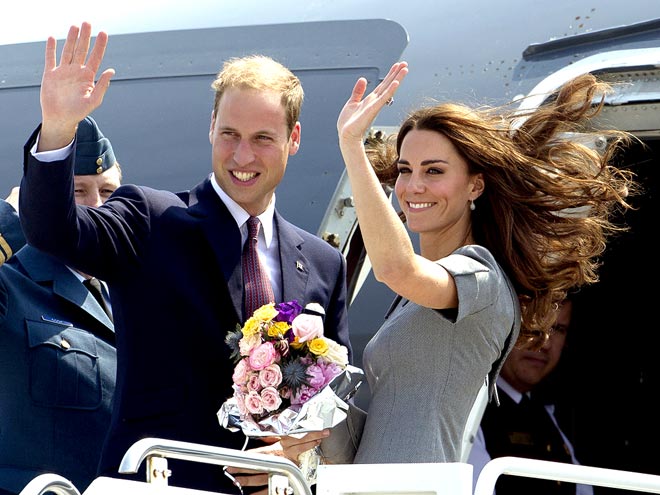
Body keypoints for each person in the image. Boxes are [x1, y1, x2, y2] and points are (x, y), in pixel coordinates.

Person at [19, 22, 350, 494]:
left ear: (293, 139)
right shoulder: (151, 219)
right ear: (211, 127)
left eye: (262, 138)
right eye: (230, 133)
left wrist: (290, 449)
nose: (242, 155)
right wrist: (58, 127)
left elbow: (331, 391)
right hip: (164, 482)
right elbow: (54, 231)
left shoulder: (322, 263)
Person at [280, 63, 635, 467]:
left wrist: (352, 146)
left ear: (475, 185)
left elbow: (396, 268)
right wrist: (306, 393)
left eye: (434, 171)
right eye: (404, 170)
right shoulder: (410, 302)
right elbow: (384, 437)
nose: (413, 186)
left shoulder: (480, 276)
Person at [0, 116, 120, 495]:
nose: (98, 206)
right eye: (79, 191)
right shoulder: (12, 285)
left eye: (108, 190)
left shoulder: (132, 294)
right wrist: (11, 222)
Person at [468, 296, 594, 495]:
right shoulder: (470, 413)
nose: (544, 343)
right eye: (534, 324)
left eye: (558, 329)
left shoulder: (551, 417)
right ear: (504, 324)